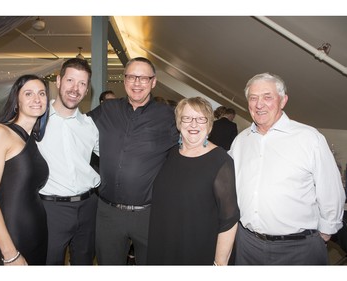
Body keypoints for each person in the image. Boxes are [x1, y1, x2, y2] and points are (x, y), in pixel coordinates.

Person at [229, 72, 346, 265]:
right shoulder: (241, 141)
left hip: (298, 249)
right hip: (247, 245)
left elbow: (331, 189)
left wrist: (325, 233)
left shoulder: (309, 138)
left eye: (267, 97)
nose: (259, 104)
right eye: (253, 98)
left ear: (283, 101)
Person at [88, 56, 178, 265]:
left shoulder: (168, 116)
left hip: (149, 215)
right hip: (108, 214)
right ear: (124, 80)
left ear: (153, 82)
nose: (137, 83)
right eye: (131, 77)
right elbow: (77, 127)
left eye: (143, 78)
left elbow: (190, 145)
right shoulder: (107, 110)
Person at [147, 97, 240, 265]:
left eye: (201, 119)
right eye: (187, 118)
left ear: (210, 124)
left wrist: (219, 264)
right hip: (163, 244)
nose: (193, 124)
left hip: (197, 250)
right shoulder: (171, 154)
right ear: (178, 123)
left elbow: (229, 220)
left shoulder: (221, 161)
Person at [0, 74, 50, 265]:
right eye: (28, 93)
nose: (37, 99)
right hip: (12, 236)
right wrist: (10, 253)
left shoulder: (32, 140)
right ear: (16, 101)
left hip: (37, 232)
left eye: (42, 93)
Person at [37, 58, 100, 265]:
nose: (75, 88)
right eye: (70, 80)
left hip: (89, 206)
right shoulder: (36, 120)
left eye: (82, 83)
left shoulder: (90, 126)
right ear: (58, 81)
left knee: (84, 263)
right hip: (51, 209)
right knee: (49, 264)